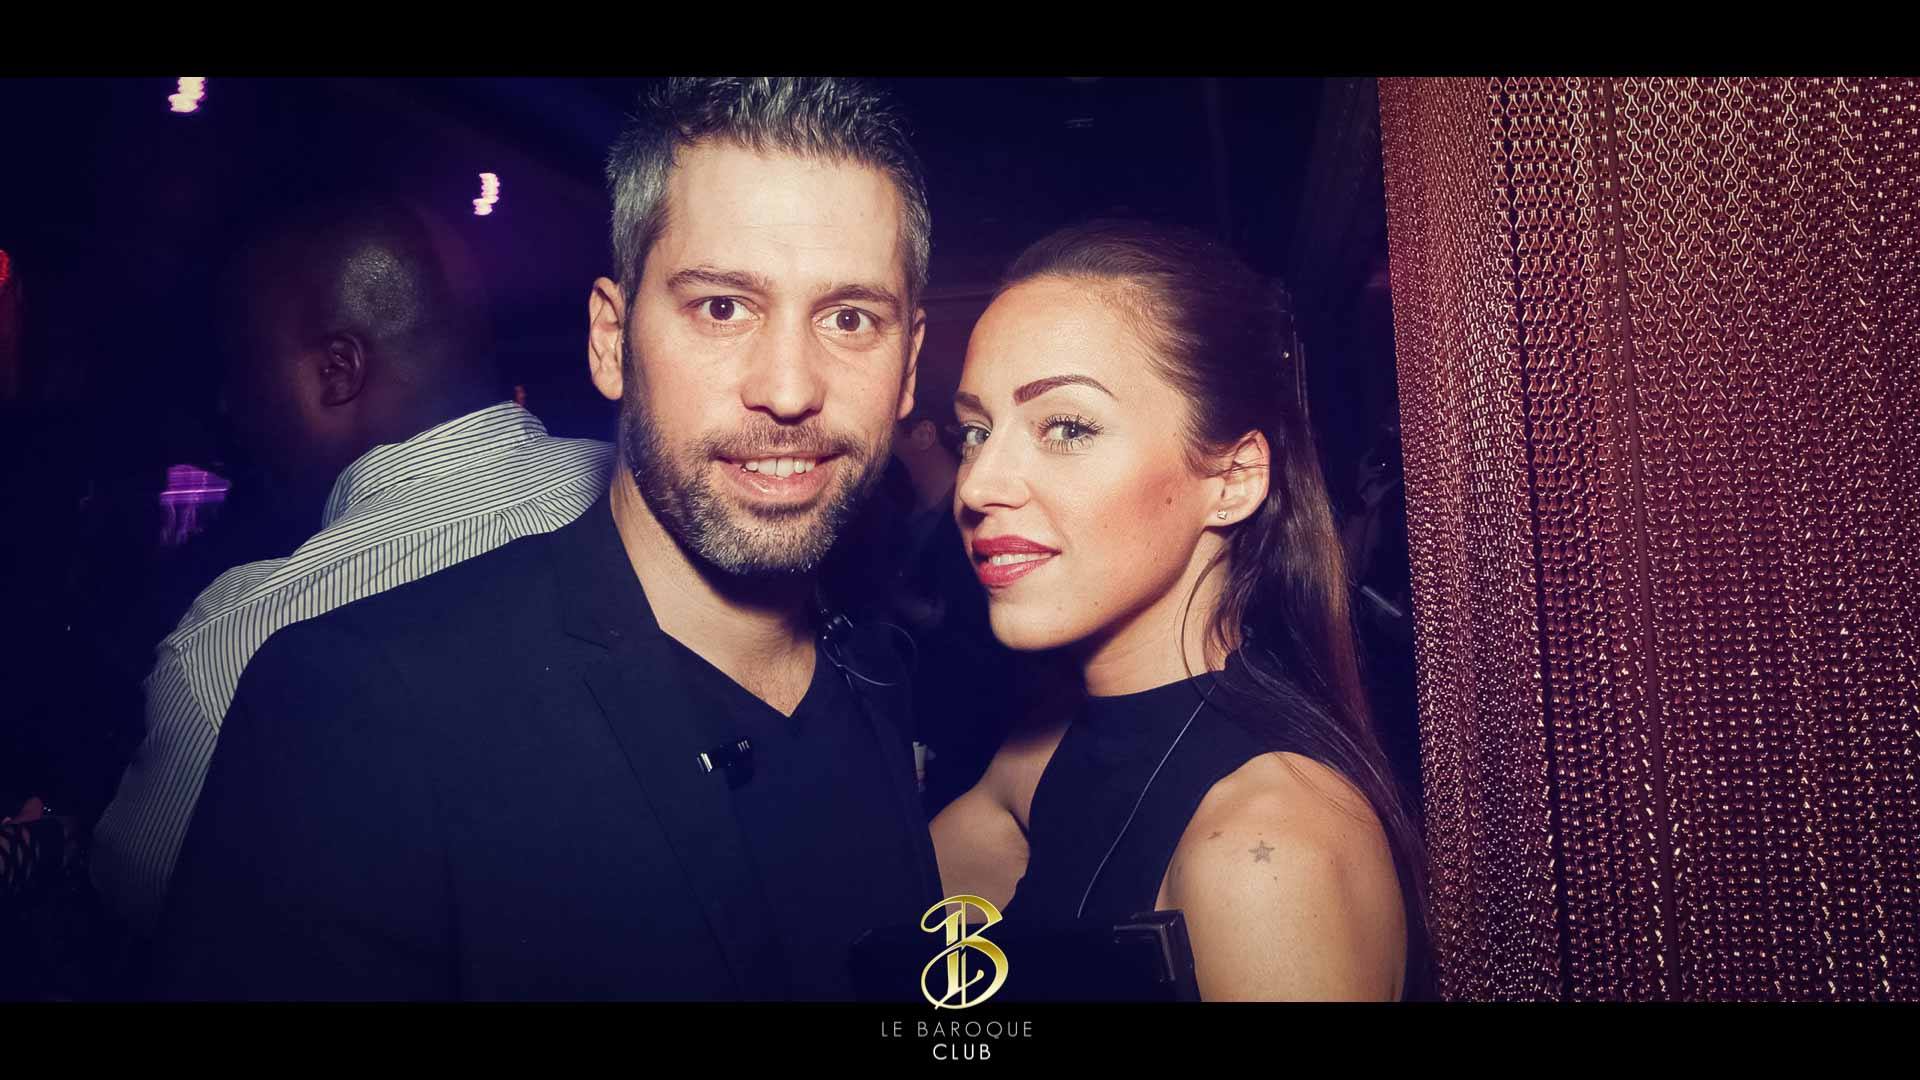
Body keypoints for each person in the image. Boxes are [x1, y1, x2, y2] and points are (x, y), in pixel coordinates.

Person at [148, 77, 940, 1001]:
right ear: (610, 339)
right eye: (722, 307)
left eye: (849, 318)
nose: (790, 388)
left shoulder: (879, 672)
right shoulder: (356, 708)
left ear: (908, 367)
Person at [929, 221, 1431, 1001]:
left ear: (1232, 480)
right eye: (976, 431)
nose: (978, 484)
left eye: (1067, 427)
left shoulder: (1266, 854)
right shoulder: (1048, 750)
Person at [91, 196, 615, 936]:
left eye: (242, 371)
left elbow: (139, 905)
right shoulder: (652, 509)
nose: (229, 408)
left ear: (337, 371)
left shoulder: (238, 642)